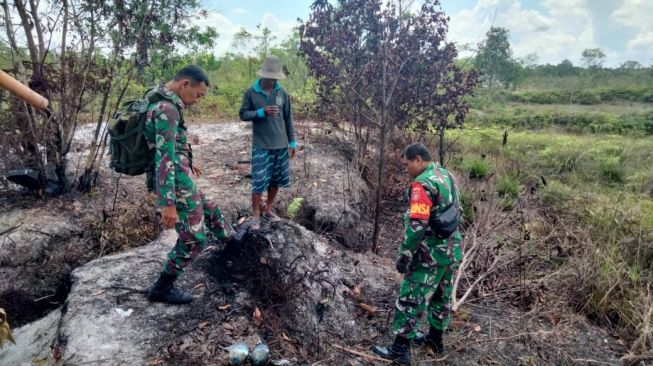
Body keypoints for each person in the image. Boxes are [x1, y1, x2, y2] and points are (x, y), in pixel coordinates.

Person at [145, 65, 233, 305]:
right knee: (194, 238)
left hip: (179, 174)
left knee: (210, 208)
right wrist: (168, 204)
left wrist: (188, 162)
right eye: (198, 95)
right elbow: (163, 157)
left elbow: (171, 149)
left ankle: (233, 246)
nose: (198, 100)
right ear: (185, 84)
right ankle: (162, 288)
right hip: (173, 181)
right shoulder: (167, 110)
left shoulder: (162, 99)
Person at [372, 143, 463, 364]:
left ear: (418, 160)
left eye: (407, 165)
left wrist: (406, 253)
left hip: (429, 253)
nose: (406, 170)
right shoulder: (446, 175)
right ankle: (435, 340)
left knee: (411, 298)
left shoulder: (422, 184)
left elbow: (417, 225)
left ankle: (400, 350)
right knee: (442, 296)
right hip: (451, 249)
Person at [239, 55, 296, 231]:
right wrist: (260, 112)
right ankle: (256, 214)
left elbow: (288, 118)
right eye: (270, 78)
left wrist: (292, 142)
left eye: (275, 79)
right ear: (263, 75)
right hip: (261, 145)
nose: (272, 82)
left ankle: (268, 209)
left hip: (281, 145)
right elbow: (243, 114)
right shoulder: (251, 92)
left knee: (275, 180)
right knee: (258, 181)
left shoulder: (283, 93)